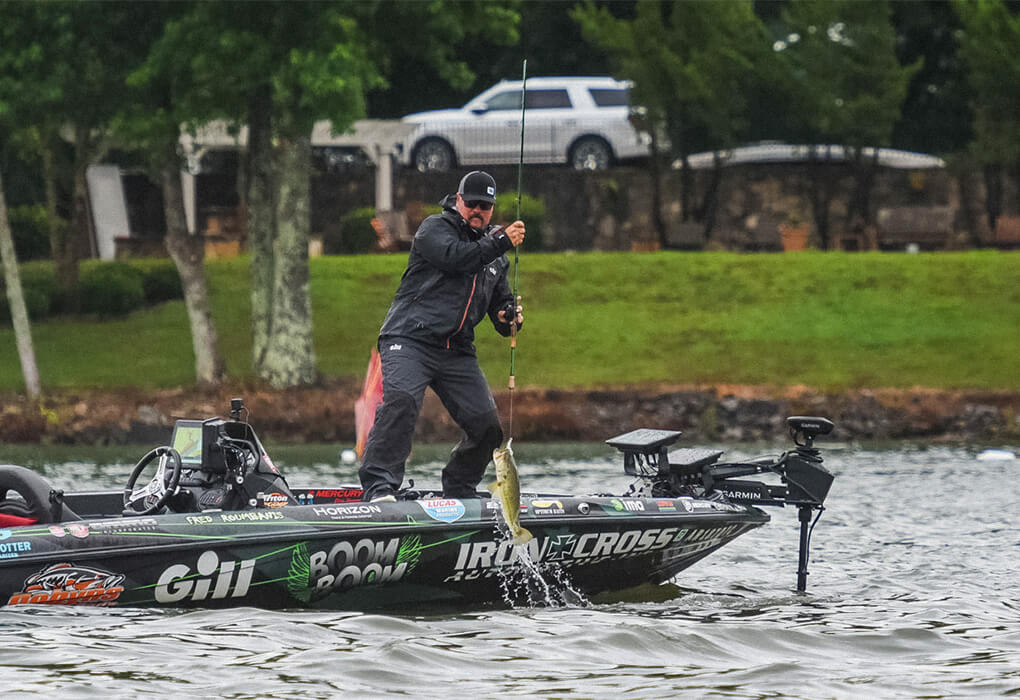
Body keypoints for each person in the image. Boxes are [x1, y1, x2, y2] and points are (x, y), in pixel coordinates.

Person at [359, 171, 526, 502]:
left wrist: (508, 317)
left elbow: (499, 305)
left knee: (488, 428)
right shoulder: (435, 229)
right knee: (403, 401)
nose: (479, 211)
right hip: (409, 339)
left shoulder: (495, 256)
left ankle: (460, 487)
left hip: (457, 350)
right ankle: (379, 488)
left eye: (487, 206)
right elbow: (457, 259)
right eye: (473, 204)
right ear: (459, 201)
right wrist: (501, 241)